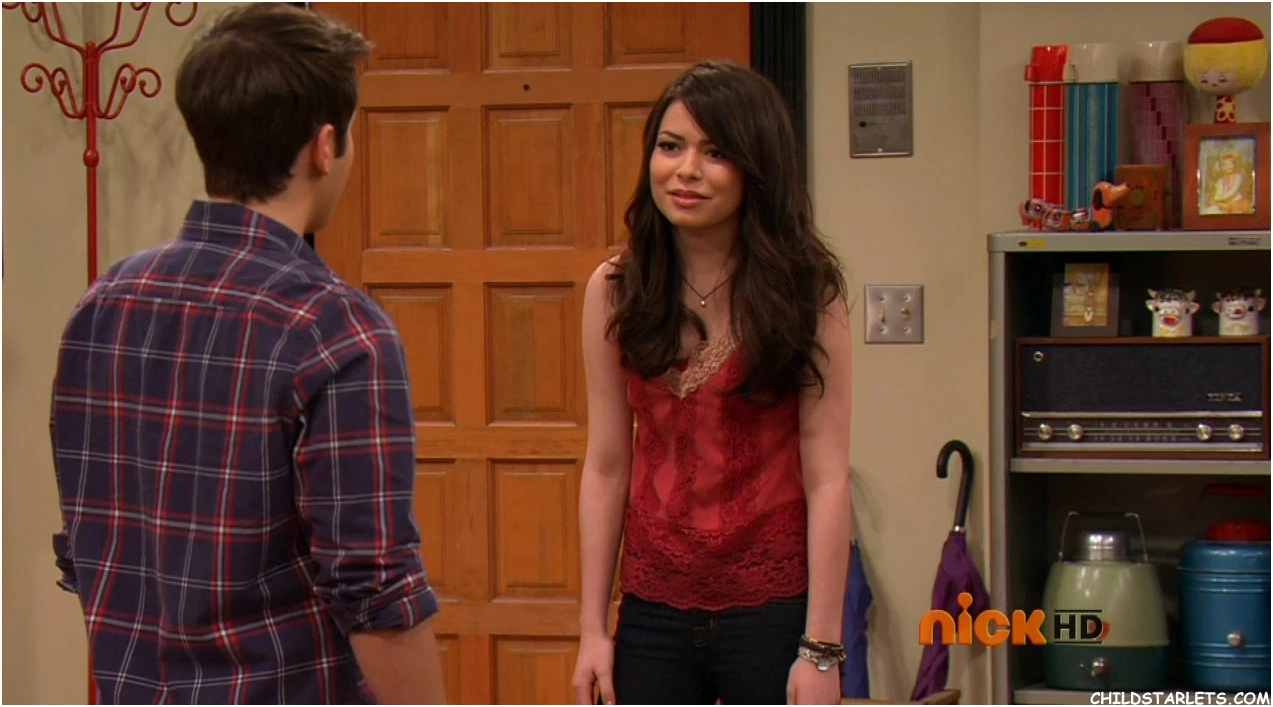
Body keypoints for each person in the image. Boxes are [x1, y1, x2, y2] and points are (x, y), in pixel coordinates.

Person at [48, 4, 447, 704]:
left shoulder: (101, 305)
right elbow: (375, 587)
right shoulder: (337, 329)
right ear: (325, 146)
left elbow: (93, 547)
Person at [571, 60, 855, 706]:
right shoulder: (615, 289)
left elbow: (827, 476)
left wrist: (821, 647)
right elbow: (607, 465)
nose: (686, 170)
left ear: (757, 168)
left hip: (773, 606)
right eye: (671, 147)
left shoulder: (808, 293)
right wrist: (592, 630)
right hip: (653, 605)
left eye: (716, 152)